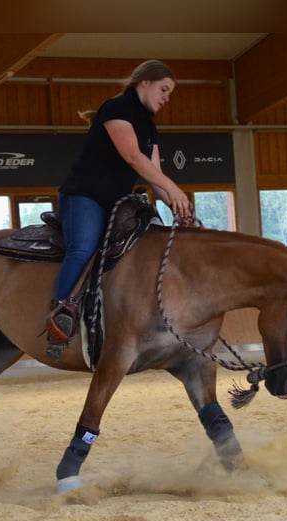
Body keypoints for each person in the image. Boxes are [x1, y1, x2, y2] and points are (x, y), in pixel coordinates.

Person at [46, 59, 193, 360]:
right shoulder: (116, 109)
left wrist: (179, 205)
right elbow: (133, 158)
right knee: (83, 247)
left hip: (116, 201)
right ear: (144, 83)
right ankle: (62, 313)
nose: (166, 97)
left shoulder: (149, 126)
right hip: (84, 195)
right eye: (163, 89)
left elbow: (155, 174)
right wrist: (174, 188)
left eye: (169, 92)